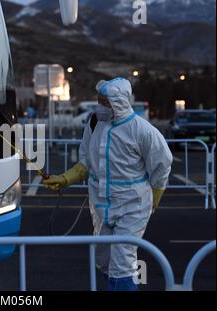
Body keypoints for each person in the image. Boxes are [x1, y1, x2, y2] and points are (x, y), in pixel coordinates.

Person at [43, 77, 173, 291]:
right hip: (100, 205)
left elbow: (163, 162)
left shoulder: (142, 130)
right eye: (99, 100)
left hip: (132, 204)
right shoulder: (94, 124)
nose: (99, 106)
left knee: (123, 262)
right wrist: (65, 178)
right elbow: (86, 163)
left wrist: (156, 196)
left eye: (104, 102)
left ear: (119, 103)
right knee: (104, 260)